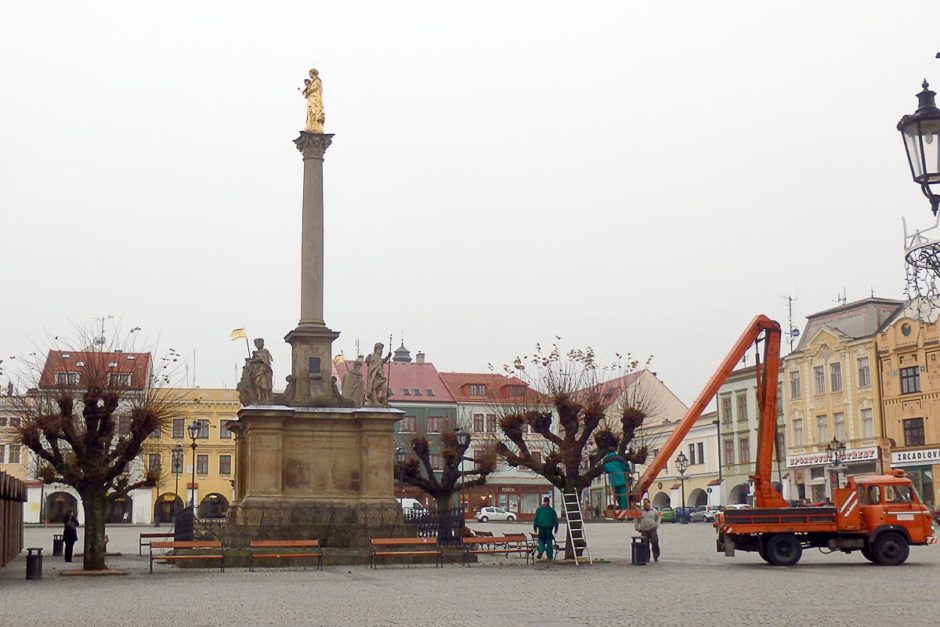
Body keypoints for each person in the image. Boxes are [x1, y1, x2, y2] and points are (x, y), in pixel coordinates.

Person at [634, 497, 661, 562]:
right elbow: (636, 519)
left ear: (649, 503)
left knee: (655, 542)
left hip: (652, 529)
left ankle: (656, 555)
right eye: (644, 503)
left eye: (646, 503)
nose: (645, 504)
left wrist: (657, 525)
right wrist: (637, 527)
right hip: (644, 530)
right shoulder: (640, 511)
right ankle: (646, 557)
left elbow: (658, 518)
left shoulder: (654, 510)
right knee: (645, 544)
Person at [533, 496, 559, 562]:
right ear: (549, 502)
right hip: (549, 528)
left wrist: (535, 527)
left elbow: (536, 519)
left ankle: (541, 550)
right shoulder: (551, 510)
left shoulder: (539, 509)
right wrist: (556, 528)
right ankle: (549, 556)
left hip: (541, 528)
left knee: (541, 540)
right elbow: (556, 520)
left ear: (543, 501)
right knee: (549, 541)